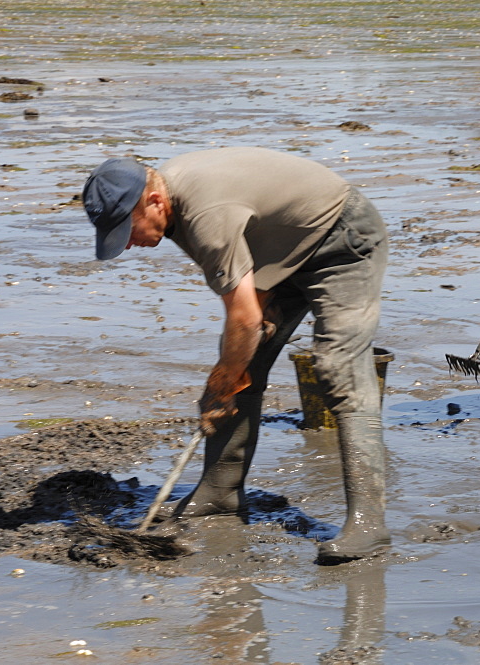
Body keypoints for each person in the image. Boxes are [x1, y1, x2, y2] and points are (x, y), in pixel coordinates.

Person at [81, 147, 391, 564]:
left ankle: (370, 527)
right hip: (285, 249)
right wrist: (233, 368)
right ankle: (220, 493)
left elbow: (243, 318)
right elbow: (245, 295)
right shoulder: (173, 206)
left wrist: (222, 384)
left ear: (153, 201)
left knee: (338, 368)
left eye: (128, 229)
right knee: (244, 359)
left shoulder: (204, 214)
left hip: (342, 239)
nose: (129, 244)